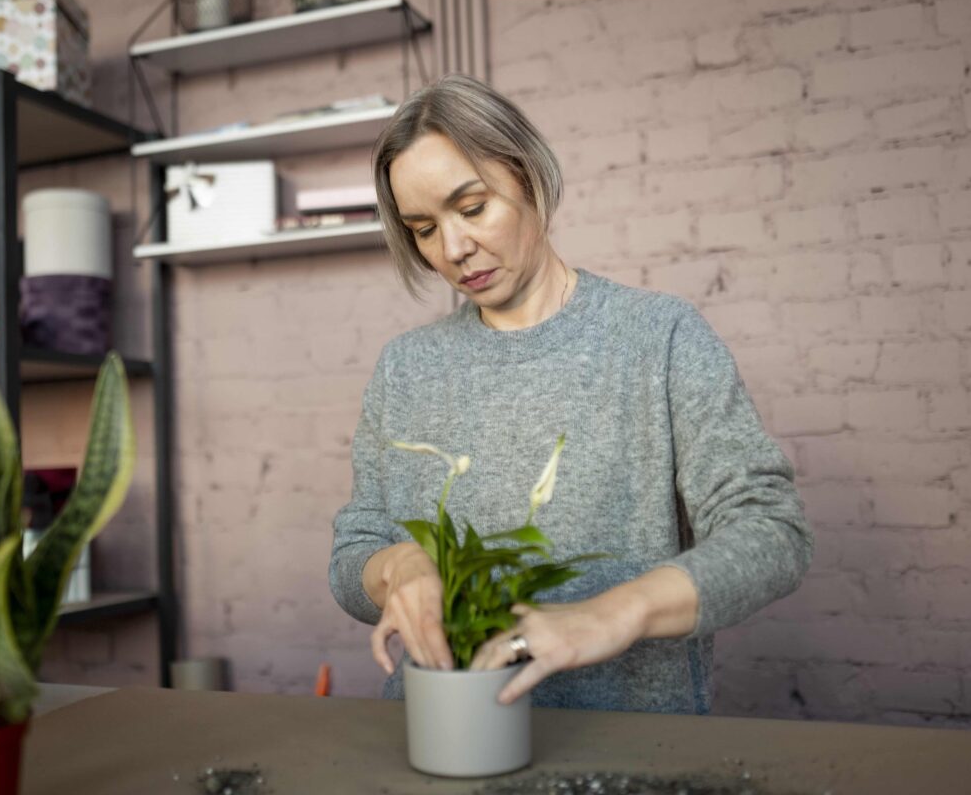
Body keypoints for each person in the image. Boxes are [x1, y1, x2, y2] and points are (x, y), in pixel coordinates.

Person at [329, 74, 812, 713]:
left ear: (529, 176)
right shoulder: (406, 368)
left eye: (473, 209)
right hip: (442, 733)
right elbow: (354, 551)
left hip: (628, 746)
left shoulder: (658, 338)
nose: (453, 248)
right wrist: (399, 570)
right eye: (423, 229)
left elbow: (773, 531)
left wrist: (615, 614)